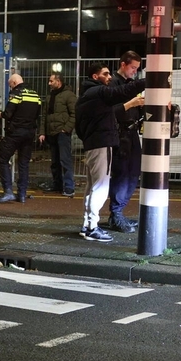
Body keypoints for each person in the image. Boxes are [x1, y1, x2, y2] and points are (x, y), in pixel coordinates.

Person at [74, 62, 146, 243]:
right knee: (100, 187)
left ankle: (87, 225)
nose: (110, 77)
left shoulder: (85, 96)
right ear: (95, 77)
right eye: (105, 74)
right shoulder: (99, 93)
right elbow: (120, 94)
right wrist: (149, 81)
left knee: (92, 187)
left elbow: (79, 126)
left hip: (92, 143)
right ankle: (92, 227)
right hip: (101, 143)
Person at [108, 51, 143, 233]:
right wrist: (133, 104)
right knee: (122, 174)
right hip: (121, 134)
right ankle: (116, 214)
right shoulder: (113, 84)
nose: (135, 72)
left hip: (131, 132)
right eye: (132, 68)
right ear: (123, 64)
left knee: (132, 173)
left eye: (137, 68)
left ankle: (118, 212)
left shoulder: (129, 84)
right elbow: (111, 111)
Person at [0, 73, 41, 203]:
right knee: (24, 163)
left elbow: (8, 114)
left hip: (15, 133)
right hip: (29, 133)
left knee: (3, 158)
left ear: (14, 83)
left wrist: (0, 115)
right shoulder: (35, 95)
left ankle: (8, 191)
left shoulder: (16, 94)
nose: (10, 88)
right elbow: (37, 114)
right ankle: (22, 194)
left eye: (10, 85)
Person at [42, 72, 76, 197]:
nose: (49, 83)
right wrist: (43, 132)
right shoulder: (51, 96)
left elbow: (75, 114)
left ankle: (69, 187)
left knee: (65, 160)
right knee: (55, 161)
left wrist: (66, 129)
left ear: (58, 81)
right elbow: (45, 116)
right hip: (52, 132)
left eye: (51, 81)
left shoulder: (69, 95)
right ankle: (57, 185)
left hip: (62, 133)